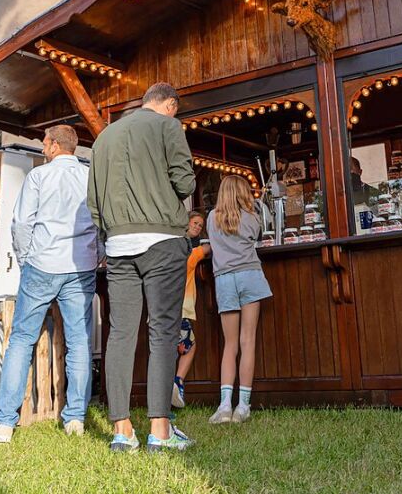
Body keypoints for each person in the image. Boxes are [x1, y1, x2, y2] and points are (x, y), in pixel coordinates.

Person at [88, 81, 196, 454]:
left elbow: (94, 202)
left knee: (120, 333)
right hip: (162, 239)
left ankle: (122, 430)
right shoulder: (169, 126)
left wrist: (110, 232)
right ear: (169, 104)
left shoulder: (104, 138)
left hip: (117, 244)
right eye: (175, 110)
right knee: (163, 332)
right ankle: (160, 431)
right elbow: (184, 182)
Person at [0, 125, 100, 443]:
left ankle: (5, 423)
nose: (43, 147)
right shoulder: (90, 177)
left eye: (45, 143)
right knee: (79, 342)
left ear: (53, 146)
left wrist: (25, 259)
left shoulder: (38, 176)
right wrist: (97, 254)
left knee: (21, 340)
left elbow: (22, 223)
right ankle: (75, 418)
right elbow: (101, 221)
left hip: (42, 264)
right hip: (80, 266)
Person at [207, 175, 272, 424]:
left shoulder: (212, 218)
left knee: (230, 344)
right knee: (248, 341)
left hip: (224, 279)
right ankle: (242, 406)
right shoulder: (251, 218)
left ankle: (224, 405)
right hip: (249, 275)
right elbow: (258, 233)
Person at [171, 211, 209, 408]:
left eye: (201, 226)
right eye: (195, 223)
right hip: (181, 310)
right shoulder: (190, 254)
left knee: (171, 346)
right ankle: (177, 382)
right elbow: (208, 250)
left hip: (165, 309)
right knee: (189, 347)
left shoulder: (170, 249)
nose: (197, 227)